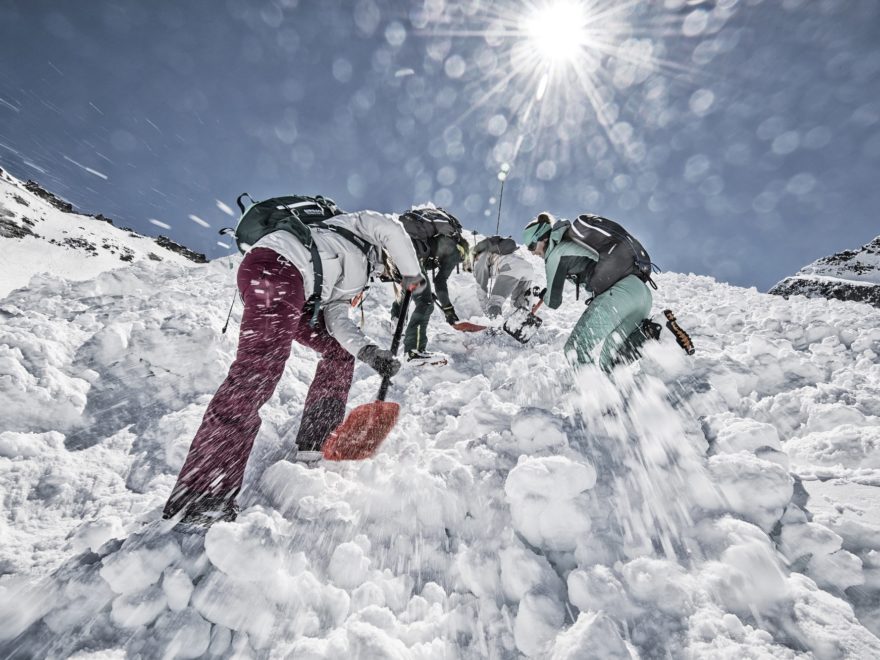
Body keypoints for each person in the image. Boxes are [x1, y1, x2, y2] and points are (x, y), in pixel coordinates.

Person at [163, 209, 424, 526]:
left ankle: (315, 439)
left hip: (297, 292)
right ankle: (202, 494)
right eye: (392, 270)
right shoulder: (351, 225)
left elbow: (337, 319)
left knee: (338, 353)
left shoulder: (360, 270)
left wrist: (370, 353)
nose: (388, 274)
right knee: (257, 373)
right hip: (278, 268)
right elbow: (389, 228)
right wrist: (414, 272)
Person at [522, 212, 654, 370]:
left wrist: (546, 294)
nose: (532, 252)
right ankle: (657, 332)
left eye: (531, 246)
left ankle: (592, 393)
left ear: (543, 238)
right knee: (611, 361)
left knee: (575, 350)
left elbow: (553, 301)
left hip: (620, 294)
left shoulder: (555, 254)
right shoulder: (571, 244)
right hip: (641, 294)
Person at [391, 207, 469, 365]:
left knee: (412, 289)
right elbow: (440, 282)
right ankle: (414, 351)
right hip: (410, 252)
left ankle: (396, 317)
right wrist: (449, 311)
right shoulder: (456, 249)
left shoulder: (434, 237)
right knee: (425, 303)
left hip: (393, 247)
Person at [468, 235, 535, 318]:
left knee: (495, 302)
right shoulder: (497, 253)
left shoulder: (479, 260)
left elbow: (481, 290)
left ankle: (495, 328)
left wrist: (488, 315)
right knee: (517, 305)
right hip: (528, 268)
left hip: (511, 267)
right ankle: (520, 324)